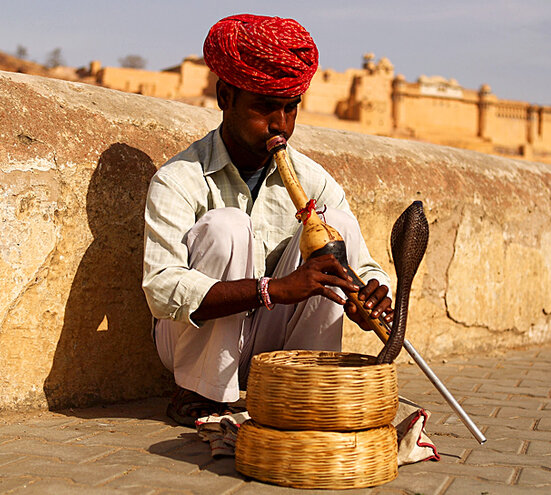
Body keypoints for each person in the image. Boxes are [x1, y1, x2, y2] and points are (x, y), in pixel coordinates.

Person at [142, 14, 393, 426]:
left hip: (271, 343)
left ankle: (305, 387)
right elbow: (162, 288)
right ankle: (200, 395)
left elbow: (362, 264)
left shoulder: (314, 179)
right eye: (264, 108)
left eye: (290, 109)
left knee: (336, 229)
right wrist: (272, 288)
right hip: (192, 345)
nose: (281, 125)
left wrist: (369, 294)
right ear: (226, 96)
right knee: (228, 226)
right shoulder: (179, 177)